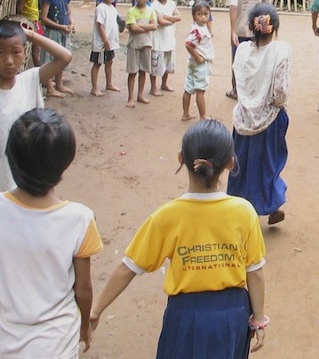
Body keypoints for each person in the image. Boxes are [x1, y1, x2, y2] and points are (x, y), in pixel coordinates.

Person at [89, 120, 268, 358]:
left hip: (184, 315)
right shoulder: (244, 211)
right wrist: (258, 320)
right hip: (231, 314)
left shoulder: (168, 215)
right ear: (230, 162)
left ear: (181, 158)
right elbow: (254, 272)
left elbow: (129, 267)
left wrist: (96, 310)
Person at [0, 19, 72, 341]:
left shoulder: (29, 81)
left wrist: (33, 34)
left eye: (16, 51)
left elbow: (64, 57)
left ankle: (14, 305)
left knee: (23, 246)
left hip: (29, 186)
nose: (8, 61)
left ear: (25, 52)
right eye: (0, 53)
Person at [0, 108, 103, 357]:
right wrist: (84, 327)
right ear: (65, 163)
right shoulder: (80, 218)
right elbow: (83, 291)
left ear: (10, 156)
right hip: (56, 344)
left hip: (4, 341)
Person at [228, 3, 291, 225]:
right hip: (270, 118)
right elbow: (281, 91)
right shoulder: (280, 50)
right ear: (274, 28)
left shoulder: (242, 51)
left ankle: (235, 207)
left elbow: (237, 80)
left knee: (240, 163)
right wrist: (278, 104)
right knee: (268, 163)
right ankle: (272, 205)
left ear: (252, 27)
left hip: (243, 118)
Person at [225, 0, 271, 100]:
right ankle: (255, 91)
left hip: (240, 29)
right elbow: (267, 7)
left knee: (238, 60)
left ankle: (236, 90)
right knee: (257, 59)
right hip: (258, 28)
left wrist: (232, 30)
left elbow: (233, 6)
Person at [40, 0, 75, 98]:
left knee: (62, 58)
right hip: (52, 33)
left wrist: (71, 24)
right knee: (50, 59)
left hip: (64, 32)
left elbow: (69, 12)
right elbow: (43, 19)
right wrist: (60, 26)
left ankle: (59, 84)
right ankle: (50, 87)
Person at [125, 0, 157, 107]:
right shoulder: (131, 11)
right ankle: (130, 97)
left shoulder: (151, 11)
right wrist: (147, 26)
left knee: (143, 71)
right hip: (134, 45)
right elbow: (133, 28)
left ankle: (140, 95)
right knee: (132, 72)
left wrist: (139, 25)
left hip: (146, 44)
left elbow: (154, 26)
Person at [182, 0, 215, 121]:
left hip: (195, 63)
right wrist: (197, 57)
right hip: (200, 63)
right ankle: (203, 116)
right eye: (200, 14)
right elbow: (188, 44)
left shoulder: (200, 27)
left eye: (206, 14)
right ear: (194, 16)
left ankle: (186, 113)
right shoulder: (197, 31)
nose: (203, 17)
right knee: (200, 90)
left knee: (188, 87)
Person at [150, 0, 181, 96]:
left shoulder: (172, 4)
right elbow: (161, 22)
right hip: (158, 40)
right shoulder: (154, 5)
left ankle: (164, 83)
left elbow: (179, 17)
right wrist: (171, 19)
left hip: (169, 39)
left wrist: (167, 17)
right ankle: (153, 87)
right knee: (156, 64)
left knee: (168, 62)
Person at [90, 0, 121, 97]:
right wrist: (105, 41)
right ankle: (94, 88)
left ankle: (109, 83)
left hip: (110, 42)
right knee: (97, 63)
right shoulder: (101, 8)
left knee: (109, 62)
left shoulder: (113, 8)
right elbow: (100, 26)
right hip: (102, 43)